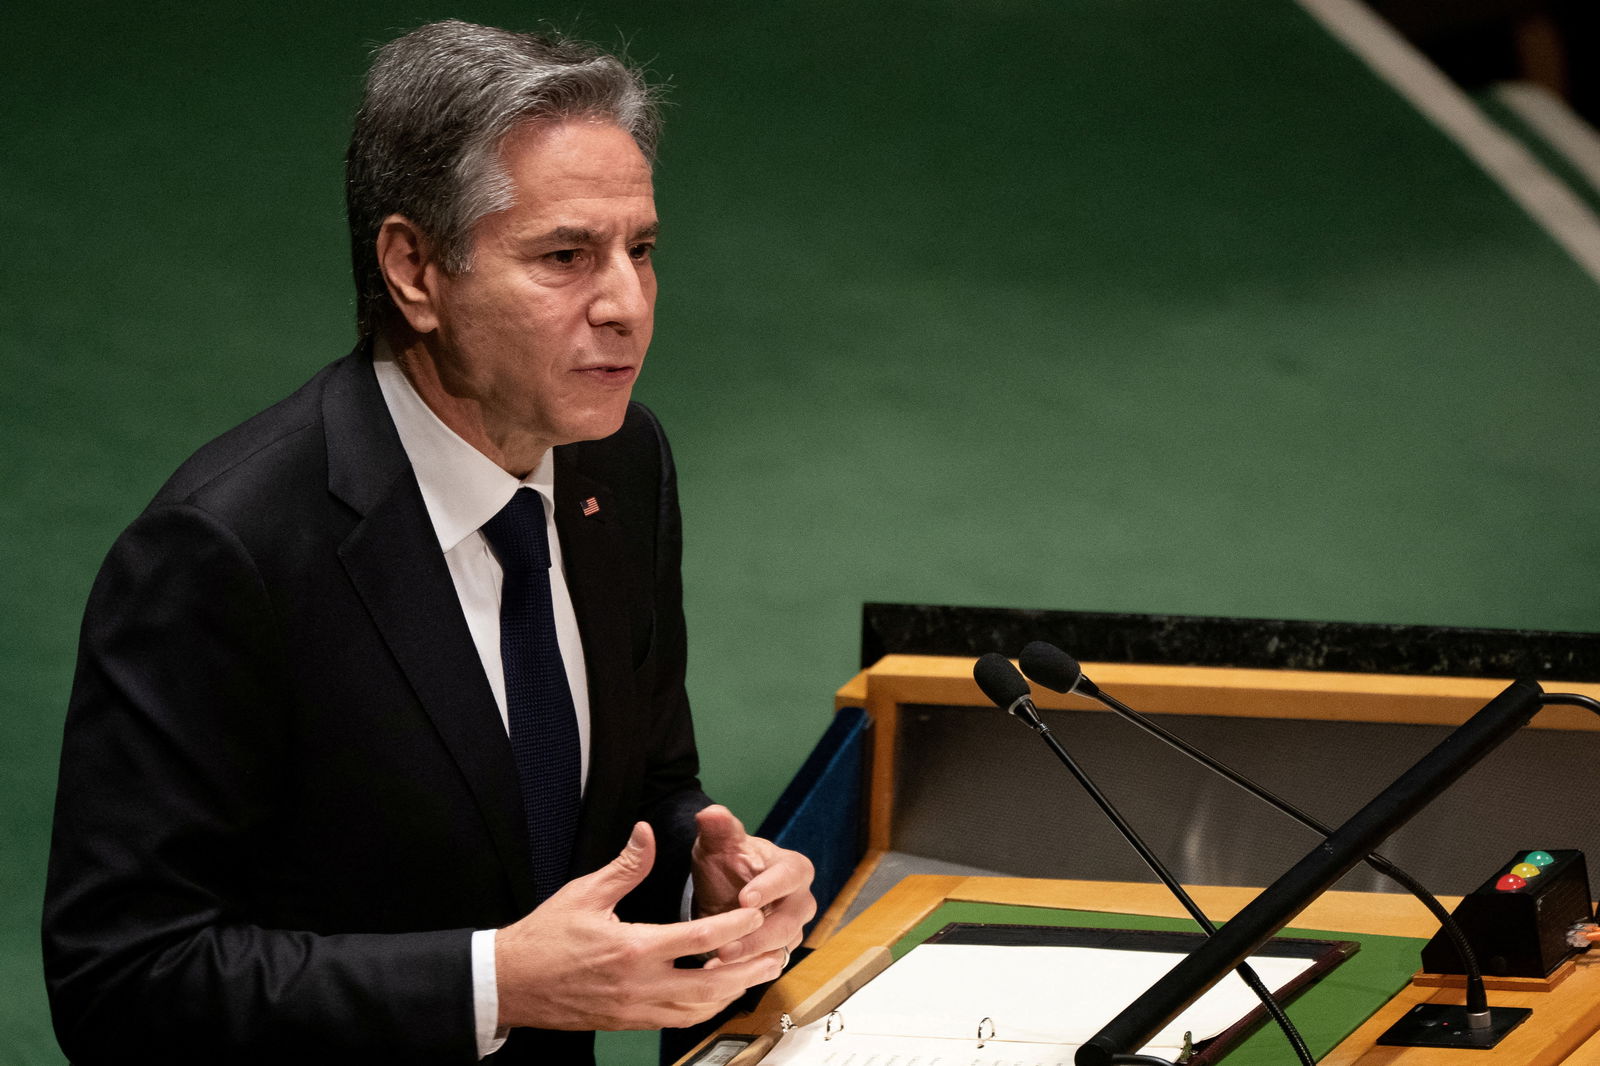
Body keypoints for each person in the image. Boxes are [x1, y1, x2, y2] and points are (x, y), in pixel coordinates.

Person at [43, 19, 814, 1064]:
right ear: (414, 269)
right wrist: (492, 981)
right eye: (564, 256)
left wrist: (698, 873)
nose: (628, 304)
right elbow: (124, 983)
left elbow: (645, 791)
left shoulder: (622, 467)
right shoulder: (225, 549)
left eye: (640, 250)